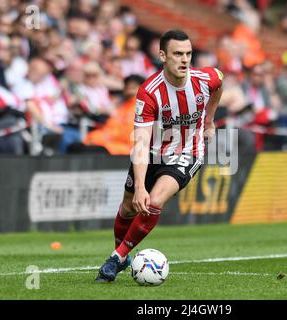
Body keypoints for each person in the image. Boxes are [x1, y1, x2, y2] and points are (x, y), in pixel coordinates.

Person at [95, 29, 223, 282]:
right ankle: (121, 253)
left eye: (188, 53)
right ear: (163, 55)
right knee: (130, 206)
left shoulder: (205, 79)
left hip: (187, 152)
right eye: (177, 54)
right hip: (152, 152)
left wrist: (209, 119)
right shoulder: (149, 92)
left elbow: (219, 82)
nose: (184, 59)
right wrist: (140, 185)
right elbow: (141, 142)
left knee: (153, 202)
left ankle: (117, 257)